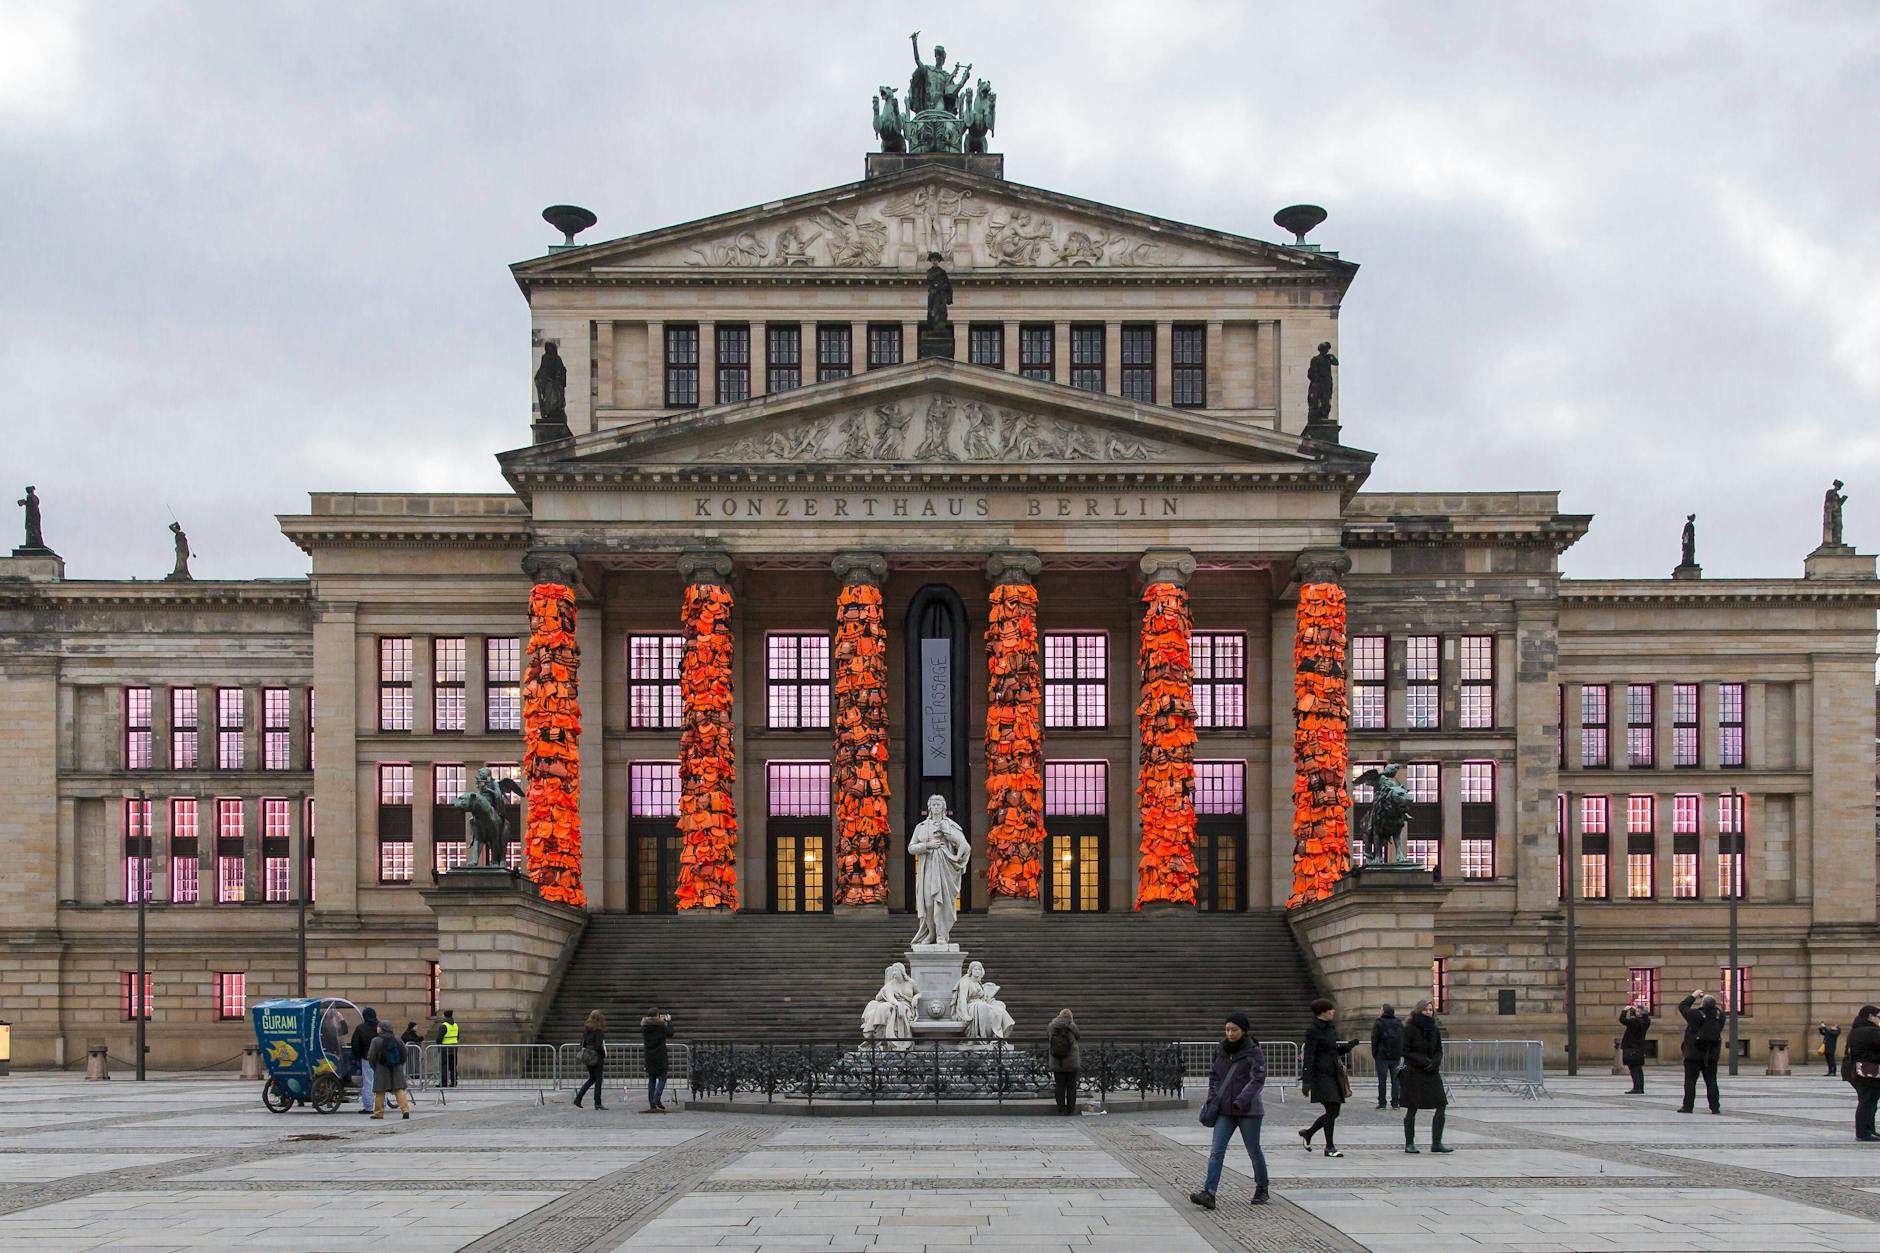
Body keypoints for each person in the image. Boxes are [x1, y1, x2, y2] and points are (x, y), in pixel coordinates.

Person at [1189, 1012, 1270, 1210]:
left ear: (1243, 1030)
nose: (1230, 1033)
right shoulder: (1221, 1050)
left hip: (1248, 1110)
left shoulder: (1253, 1052)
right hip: (1225, 1110)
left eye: (1234, 1030)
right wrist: (1212, 1098)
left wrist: (1241, 1100)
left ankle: (1262, 1187)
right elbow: (1214, 1076)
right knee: (1216, 1151)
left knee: (1253, 1151)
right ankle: (1209, 1192)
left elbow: (1257, 1079)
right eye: (1227, 1029)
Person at [1298, 998, 1358, 1157]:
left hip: (1333, 1073)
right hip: (1320, 1075)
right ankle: (1329, 1147)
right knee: (1332, 1109)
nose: (1333, 1011)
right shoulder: (1313, 1030)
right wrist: (1306, 1080)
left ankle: (1309, 1133)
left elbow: (1332, 1050)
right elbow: (1309, 1055)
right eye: (1330, 1009)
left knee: (1334, 1111)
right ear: (1322, 1012)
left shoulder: (1330, 1029)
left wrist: (1348, 1046)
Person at [1401, 999, 1451, 1153]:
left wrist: (1435, 1062)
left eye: (1431, 1010)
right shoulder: (1409, 1028)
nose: (1429, 1012)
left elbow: (1439, 1050)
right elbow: (1405, 1050)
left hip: (1431, 1072)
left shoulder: (1435, 1029)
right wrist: (1422, 1061)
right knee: (1412, 1108)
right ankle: (1409, 1143)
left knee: (1441, 1104)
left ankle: (1436, 1143)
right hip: (1414, 1072)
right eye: (1426, 1010)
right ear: (1418, 1011)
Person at [1677, 989, 1724, 1114]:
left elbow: (1682, 1006)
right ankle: (1715, 1107)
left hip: (1693, 1054)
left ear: (1702, 1004)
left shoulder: (1695, 1015)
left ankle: (1688, 1106)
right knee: (1711, 1081)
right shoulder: (1720, 1015)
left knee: (1690, 1081)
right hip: (1711, 1054)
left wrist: (1693, 996)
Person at [1844, 1005, 1880, 1141]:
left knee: (1868, 1101)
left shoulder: (1855, 1030)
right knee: (1868, 1101)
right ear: (1870, 1016)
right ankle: (1864, 1132)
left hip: (1856, 1070)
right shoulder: (1872, 1031)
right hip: (1868, 1071)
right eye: (1878, 1016)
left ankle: (1868, 1130)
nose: (1879, 1019)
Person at [366, 1019, 413, 1120]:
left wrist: (375, 1067)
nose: (377, 1028)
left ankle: (378, 1113)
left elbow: (371, 1056)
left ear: (381, 1029)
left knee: (379, 1091)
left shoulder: (376, 1040)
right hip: (396, 1068)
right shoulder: (397, 1039)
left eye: (379, 1026)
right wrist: (400, 1063)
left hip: (381, 1068)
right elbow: (404, 1052)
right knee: (399, 1089)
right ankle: (405, 1110)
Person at [1370, 1003, 1405, 1109]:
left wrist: (1375, 1053)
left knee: (1382, 1080)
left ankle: (1382, 1103)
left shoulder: (1379, 1022)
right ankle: (1395, 1103)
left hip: (1382, 1056)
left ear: (1383, 1011)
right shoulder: (1398, 1022)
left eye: (1380, 1009)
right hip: (1395, 1056)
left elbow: (1374, 1039)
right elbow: (1403, 1038)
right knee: (1395, 1081)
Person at [641, 1006, 674, 1113]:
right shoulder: (661, 1027)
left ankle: (652, 1103)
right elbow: (670, 1033)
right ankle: (656, 1099)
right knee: (662, 1078)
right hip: (660, 1055)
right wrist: (668, 1022)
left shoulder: (644, 1027)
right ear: (657, 1016)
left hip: (649, 1056)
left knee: (652, 1080)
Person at [1048, 1008, 1081, 1115]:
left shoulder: (1052, 1027)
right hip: (1071, 1061)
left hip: (1057, 1060)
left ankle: (1061, 1110)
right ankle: (1071, 1110)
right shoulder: (1072, 1027)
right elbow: (1078, 1037)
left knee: (1060, 1086)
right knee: (1071, 1086)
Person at [572, 1009, 607, 1109]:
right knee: (598, 1079)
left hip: (587, 1056)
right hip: (596, 1057)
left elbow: (582, 1043)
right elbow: (598, 1045)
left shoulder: (587, 1029)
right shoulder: (599, 1030)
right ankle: (597, 1102)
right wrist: (603, 1054)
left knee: (592, 1078)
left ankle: (578, 1098)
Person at [350, 1006, 380, 1114]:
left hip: (367, 1058)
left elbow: (355, 1044)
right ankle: (380, 1104)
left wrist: (358, 1055)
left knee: (368, 1081)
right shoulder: (380, 1026)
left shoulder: (361, 1028)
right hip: (381, 1058)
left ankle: (369, 1106)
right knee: (380, 1081)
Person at [1620, 1000, 1652, 1094]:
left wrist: (1624, 1011)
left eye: (1637, 1011)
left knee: (1633, 1068)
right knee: (1638, 1068)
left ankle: (1636, 1087)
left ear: (1639, 1013)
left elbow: (1623, 1020)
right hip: (1639, 1046)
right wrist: (1636, 1010)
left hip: (1631, 1046)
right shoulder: (1646, 1021)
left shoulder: (1635, 1021)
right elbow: (1641, 1015)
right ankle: (1640, 1087)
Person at [437, 1010, 460, 1088]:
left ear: (445, 1016)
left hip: (445, 1048)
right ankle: (454, 1082)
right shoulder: (456, 1025)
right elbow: (458, 1036)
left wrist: (438, 1046)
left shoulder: (443, 1026)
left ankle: (444, 1083)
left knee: (444, 1066)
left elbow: (439, 1037)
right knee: (453, 1066)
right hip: (454, 1048)